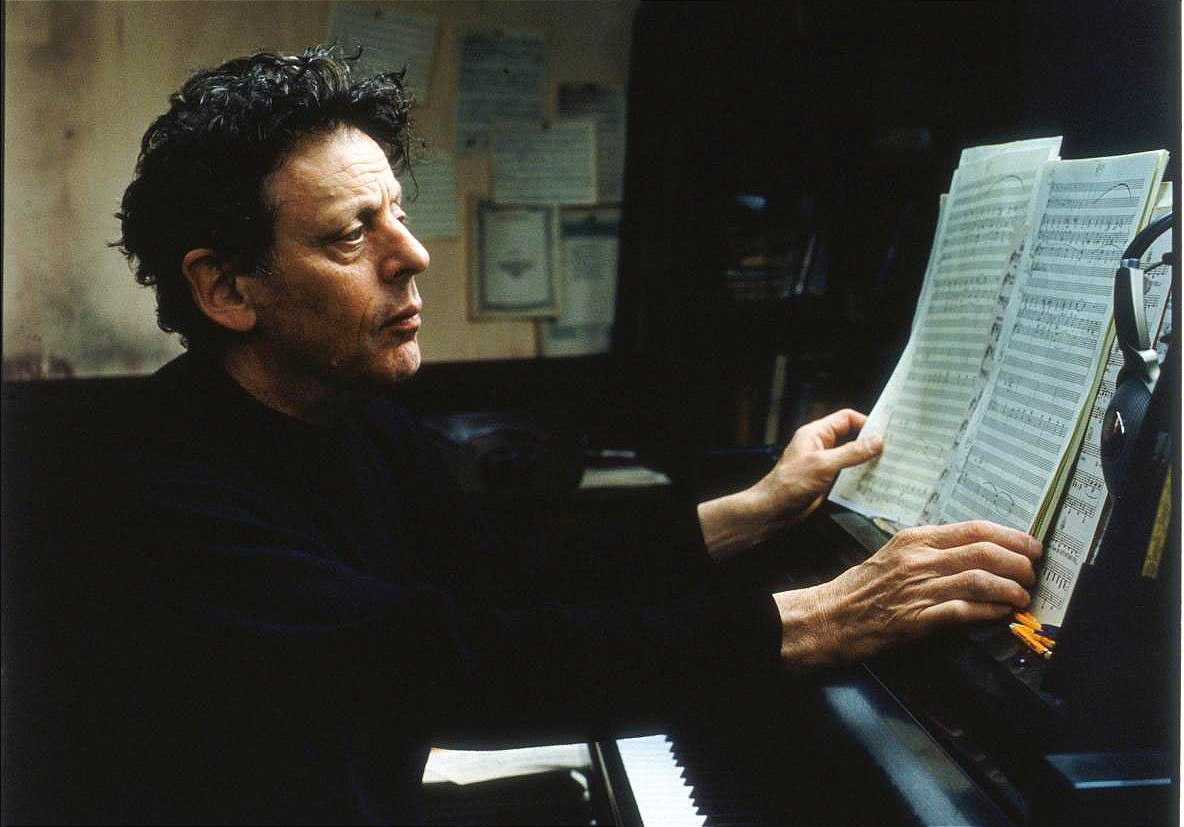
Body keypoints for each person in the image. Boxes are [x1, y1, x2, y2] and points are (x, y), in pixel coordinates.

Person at [54, 46, 1038, 825]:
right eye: (351, 235)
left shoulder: (352, 419)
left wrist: (752, 509)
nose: (413, 253)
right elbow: (456, 662)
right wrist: (817, 618)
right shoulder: (159, 497)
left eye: (397, 214)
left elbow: (504, 580)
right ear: (227, 288)